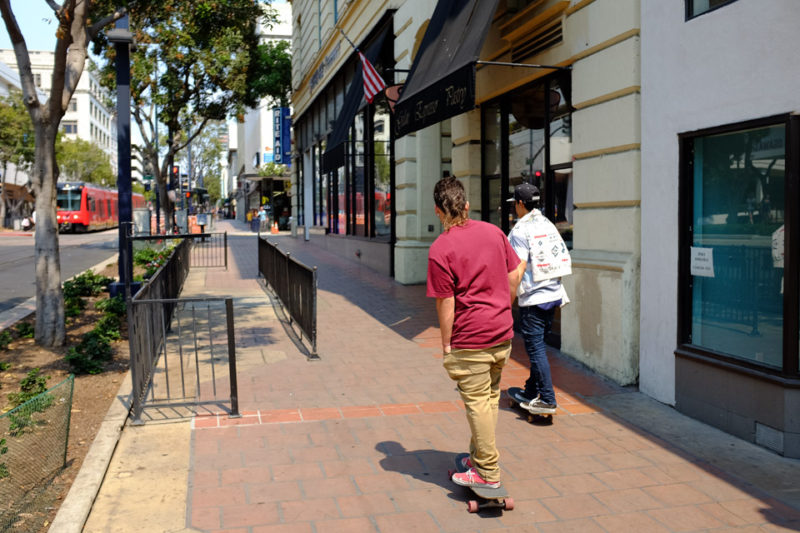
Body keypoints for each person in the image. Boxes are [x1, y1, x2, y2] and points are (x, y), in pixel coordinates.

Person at [427, 176, 523, 490]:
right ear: (466, 206)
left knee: (479, 404)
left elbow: (446, 302)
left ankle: (488, 473)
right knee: (489, 399)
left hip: (471, 341)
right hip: (502, 336)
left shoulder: (441, 249)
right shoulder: (494, 232)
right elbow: (513, 276)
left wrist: (446, 344)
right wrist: (503, 311)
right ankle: (478, 458)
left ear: (438, 212)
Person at [507, 183, 571, 415]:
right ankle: (530, 390)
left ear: (521, 204)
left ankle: (547, 398)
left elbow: (517, 269)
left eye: (515, 203)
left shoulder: (520, 231)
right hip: (553, 295)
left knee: (535, 351)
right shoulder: (548, 224)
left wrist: (507, 302)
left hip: (534, 299)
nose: (514, 208)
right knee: (539, 348)